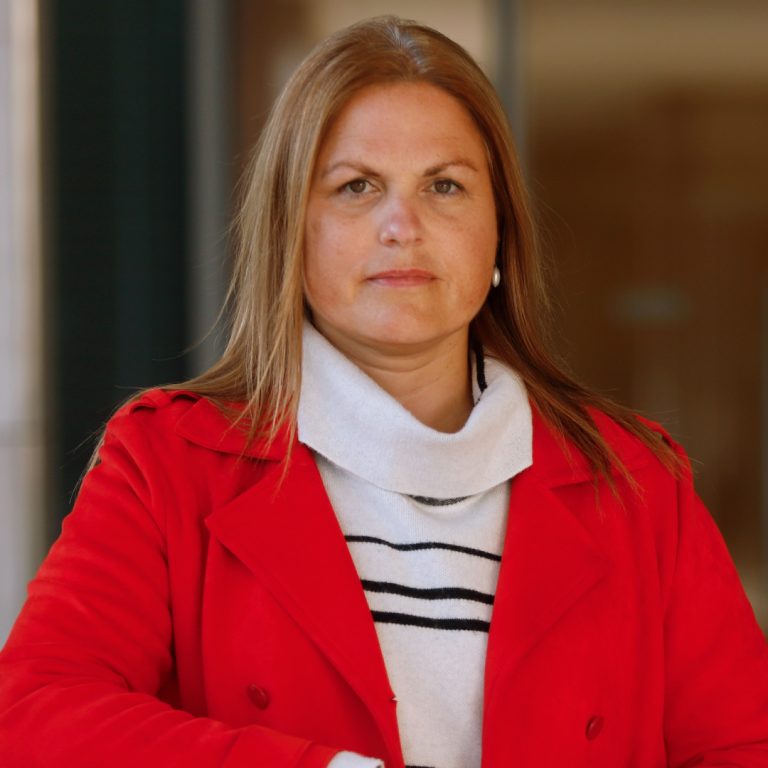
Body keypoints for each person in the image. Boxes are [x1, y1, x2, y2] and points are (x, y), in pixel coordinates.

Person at [1, 15, 767, 768]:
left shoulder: (635, 483)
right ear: (291, 230)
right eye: (357, 186)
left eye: (445, 185)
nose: (403, 225)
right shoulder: (167, 463)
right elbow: (32, 715)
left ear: (500, 232)